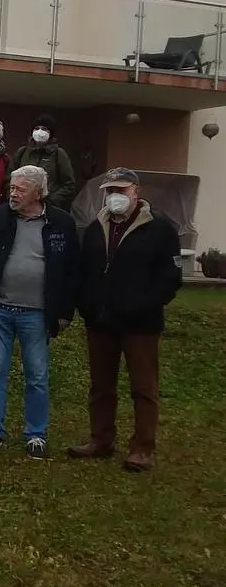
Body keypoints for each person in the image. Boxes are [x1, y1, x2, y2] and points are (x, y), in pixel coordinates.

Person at [69, 167, 182, 472]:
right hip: (100, 320)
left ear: (136, 192)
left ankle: (142, 448)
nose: (114, 196)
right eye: (110, 191)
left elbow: (170, 278)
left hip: (140, 325)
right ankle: (100, 439)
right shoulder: (96, 227)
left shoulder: (160, 229)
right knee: (101, 386)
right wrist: (86, 304)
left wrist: (144, 304)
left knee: (143, 388)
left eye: (121, 190)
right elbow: (83, 270)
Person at [0, 166, 80, 459]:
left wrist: (65, 311)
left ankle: (36, 434)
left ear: (38, 192)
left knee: (37, 375)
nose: (13, 194)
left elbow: (72, 270)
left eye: (20, 189)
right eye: (12, 188)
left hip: (38, 313)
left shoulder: (61, 223)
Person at [12, 114, 77, 211]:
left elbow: (69, 185)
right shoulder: (22, 152)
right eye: (36, 128)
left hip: (48, 208)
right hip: (22, 206)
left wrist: (50, 201)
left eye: (44, 129)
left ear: (51, 133)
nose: (39, 131)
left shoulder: (58, 154)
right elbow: (9, 179)